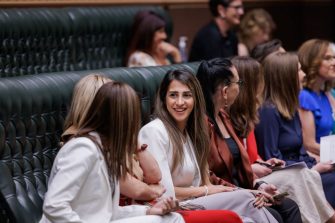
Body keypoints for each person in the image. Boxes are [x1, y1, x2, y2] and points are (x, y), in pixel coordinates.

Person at [62, 74, 243, 223]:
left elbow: (155, 177)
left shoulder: (111, 141)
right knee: (228, 218)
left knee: (243, 208)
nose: (120, 114)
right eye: (111, 105)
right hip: (144, 209)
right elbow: (140, 189)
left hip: (136, 211)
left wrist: (134, 144)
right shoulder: (82, 145)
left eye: (187, 95)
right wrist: (153, 192)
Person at [139, 69, 279, 223]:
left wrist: (247, 191)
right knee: (248, 201)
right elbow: (165, 194)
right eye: (173, 95)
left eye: (186, 95)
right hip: (176, 209)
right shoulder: (154, 131)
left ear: (196, 99)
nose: (179, 102)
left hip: (197, 201)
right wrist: (208, 190)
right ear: (164, 99)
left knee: (252, 208)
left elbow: (204, 182)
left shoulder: (191, 132)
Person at [40, 79, 184, 223]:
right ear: (123, 120)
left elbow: (106, 213)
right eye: (134, 116)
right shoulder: (83, 148)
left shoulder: (105, 150)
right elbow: (54, 206)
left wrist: (148, 211)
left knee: (172, 217)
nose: (136, 123)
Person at [196, 57, 302, 223]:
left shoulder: (223, 116)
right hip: (224, 195)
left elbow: (240, 166)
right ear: (225, 91)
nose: (240, 88)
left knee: (289, 206)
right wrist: (244, 192)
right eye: (238, 83)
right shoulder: (201, 124)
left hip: (242, 191)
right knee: (277, 215)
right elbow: (208, 175)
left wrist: (259, 185)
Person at [230, 56, 335, 223]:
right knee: (301, 176)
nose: (303, 75)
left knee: (305, 175)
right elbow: (249, 159)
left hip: (285, 171)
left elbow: (256, 156)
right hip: (271, 176)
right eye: (299, 70)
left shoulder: (285, 109)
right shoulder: (266, 112)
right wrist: (315, 168)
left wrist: (263, 162)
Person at [297, 39, 335, 161]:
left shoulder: (324, 95)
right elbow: (309, 144)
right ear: (312, 61)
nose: (334, 62)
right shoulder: (305, 96)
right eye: (328, 58)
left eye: (334, 58)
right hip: (318, 163)